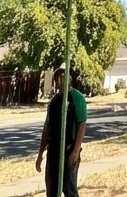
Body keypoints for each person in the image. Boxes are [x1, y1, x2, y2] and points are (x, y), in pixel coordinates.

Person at [35, 67, 87, 197]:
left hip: (69, 150)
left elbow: (82, 124)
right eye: (58, 78)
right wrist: (40, 154)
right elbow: (47, 128)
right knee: (52, 189)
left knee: (69, 189)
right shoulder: (53, 102)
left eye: (64, 77)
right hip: (53, 152)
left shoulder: (77, 98)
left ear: (70, 79)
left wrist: (75, 152)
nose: (61, 80)